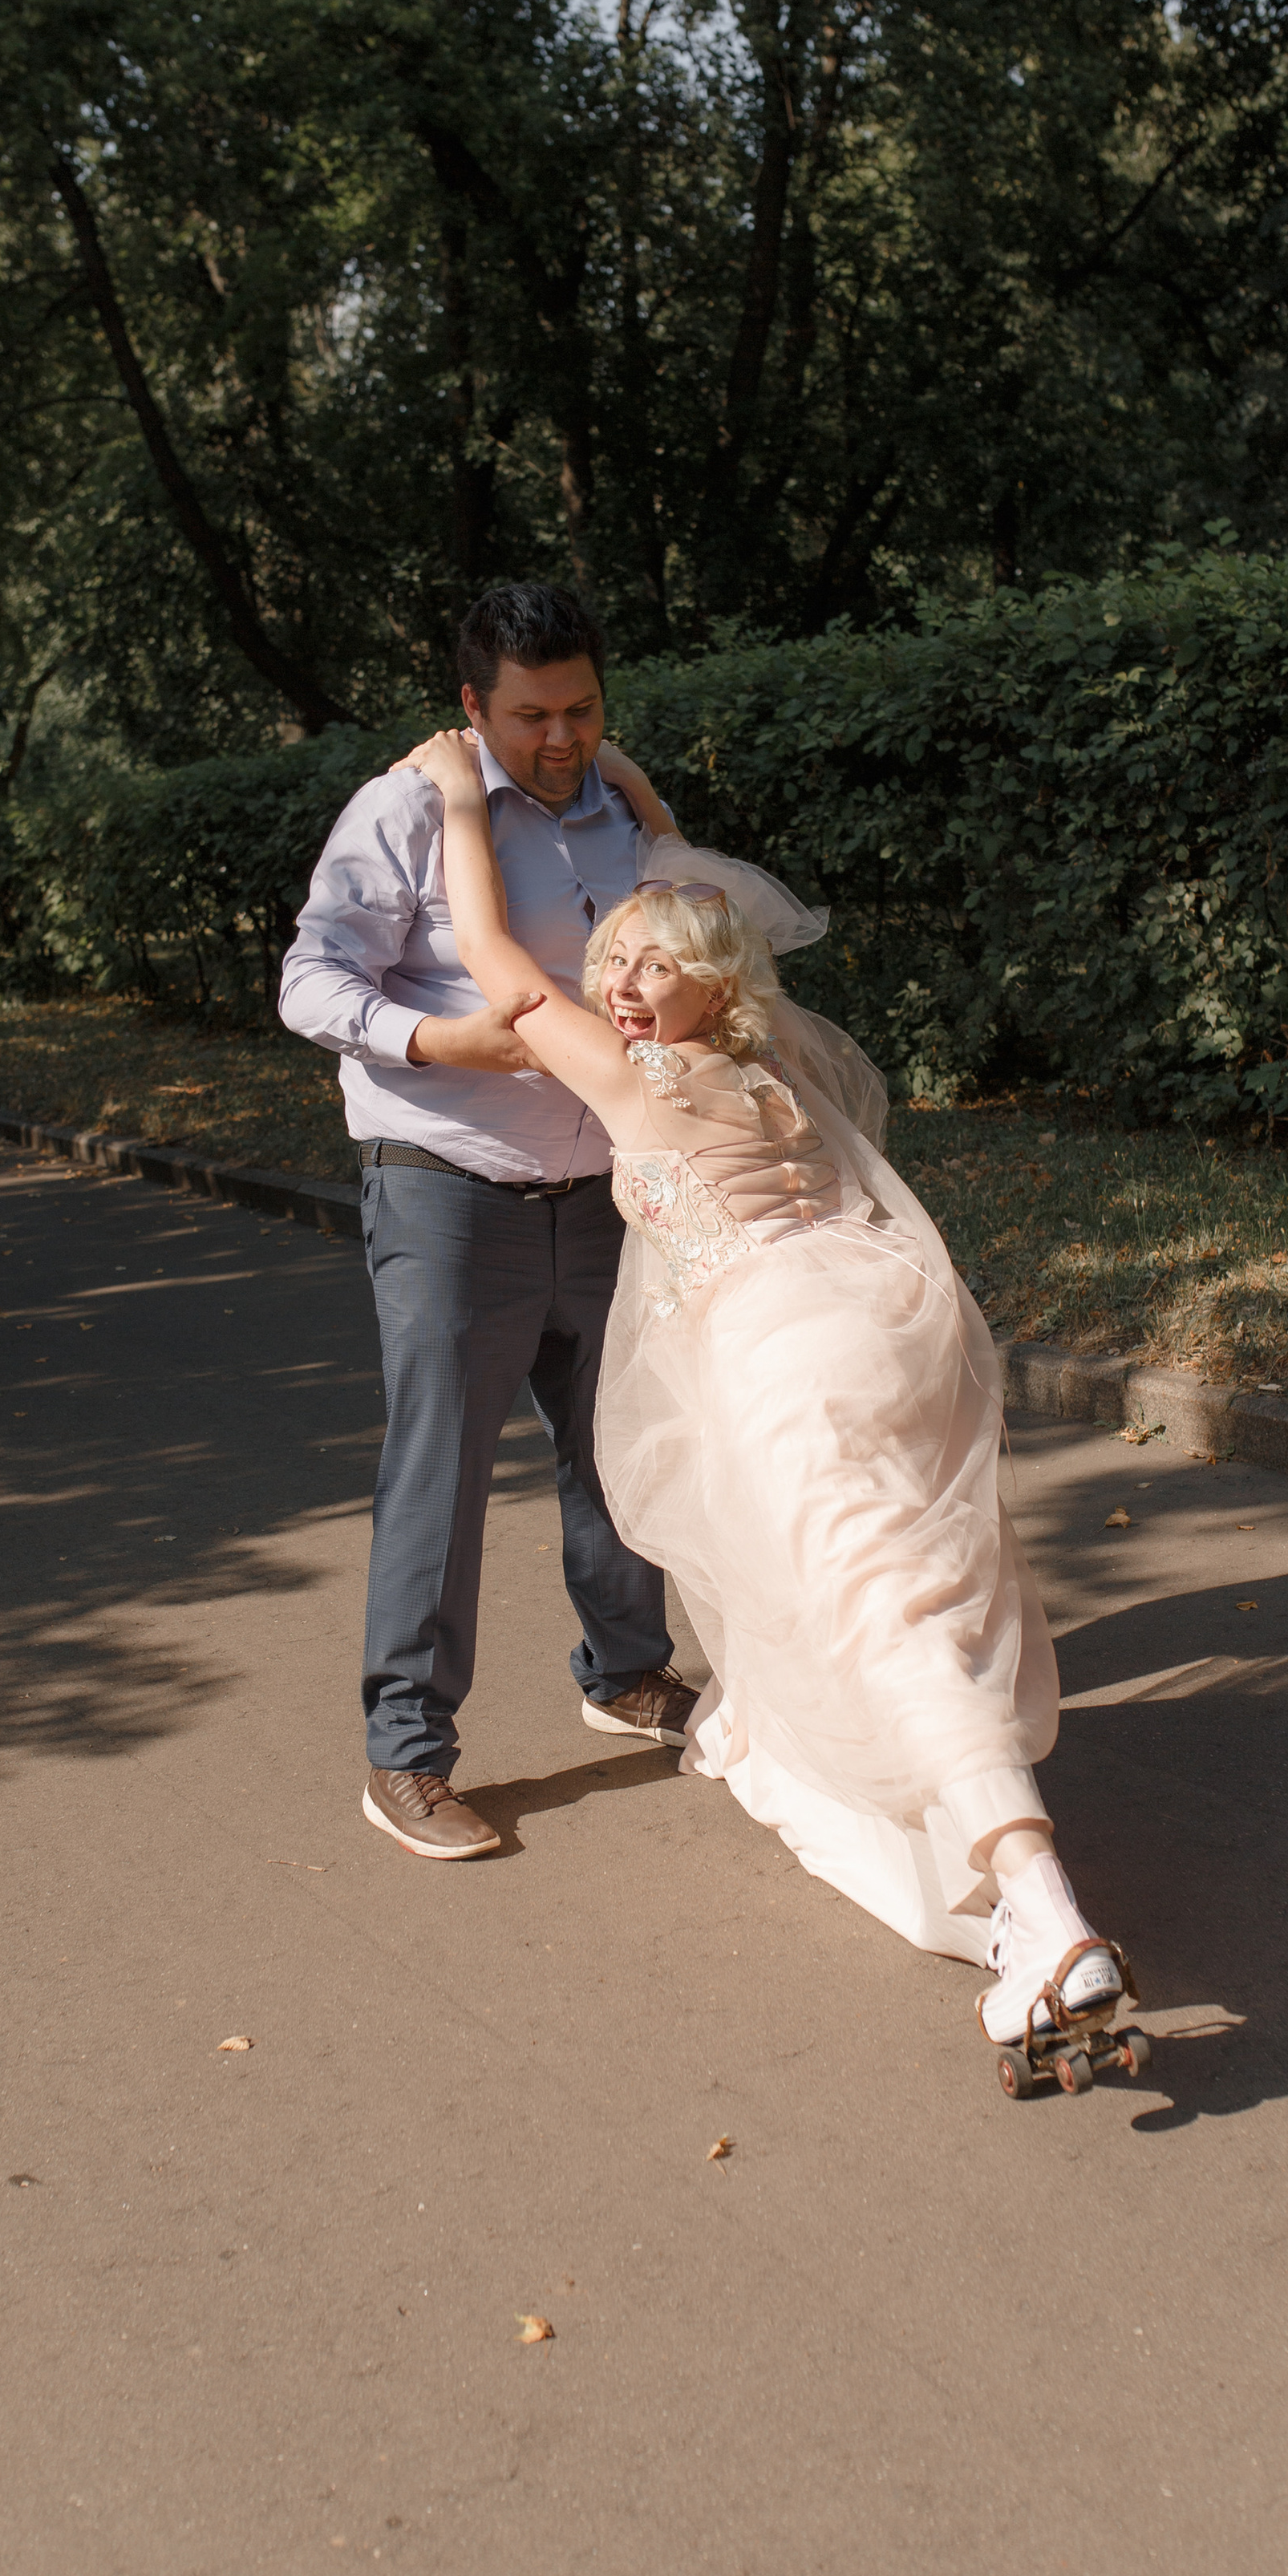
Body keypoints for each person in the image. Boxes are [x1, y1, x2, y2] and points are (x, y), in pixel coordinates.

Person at [403, 720, 1138, 2055]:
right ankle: (1018, 1881)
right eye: (615, 957)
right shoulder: (774, 1065)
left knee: (875, 1600)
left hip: (785, 1356)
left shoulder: (639, 1079)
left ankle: (1042, 1905)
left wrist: (461, 802)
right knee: (895, 1582)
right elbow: (685, 913)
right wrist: (640, 799)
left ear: (710, 988)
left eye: (658, 967)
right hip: (882, 1329)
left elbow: (503, 969)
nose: (624, 984)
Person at [278, 580, 823, 1863]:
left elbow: (696, 947)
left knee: (622, 1437)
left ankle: (628, 1670)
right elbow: (311, 976)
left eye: (582, 708)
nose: (562, 738)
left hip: (616, 1189)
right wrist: (430, 1037)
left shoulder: (622, 808)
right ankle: (407, 1754)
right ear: (473, 707)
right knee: (443, 1466)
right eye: (531, 716)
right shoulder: (410, 806)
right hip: (450, 1180)